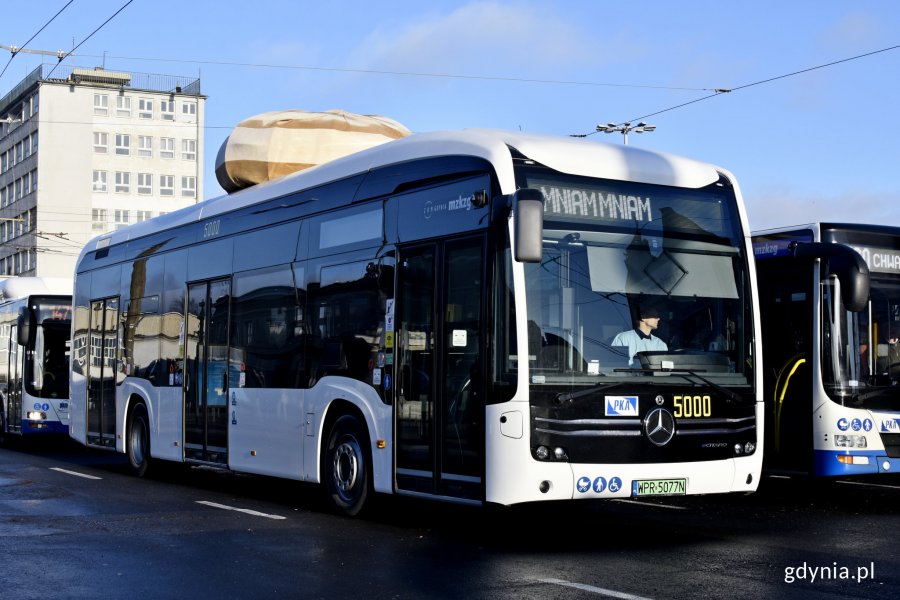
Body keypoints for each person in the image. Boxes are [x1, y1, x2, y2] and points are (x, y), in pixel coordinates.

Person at [612, 301, 668, 366]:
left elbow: (665, 368)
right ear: (643, 318)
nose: (658, 319)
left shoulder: (661, 344)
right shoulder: (623, 338)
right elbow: (616, 363)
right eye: (655, 316)